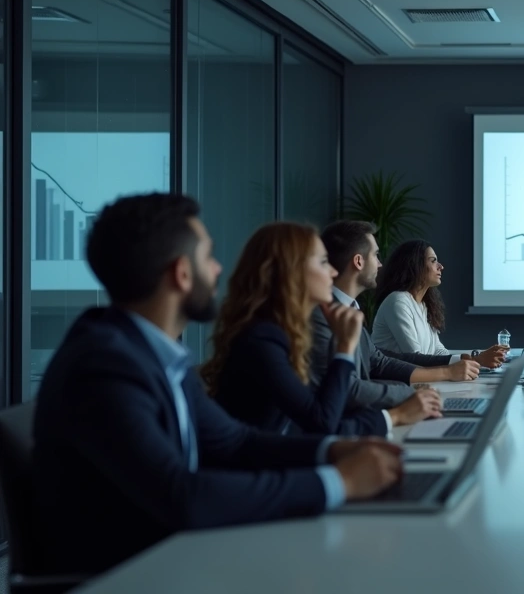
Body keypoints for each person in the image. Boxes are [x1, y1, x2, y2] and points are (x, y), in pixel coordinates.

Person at [31, 193, 402, 575]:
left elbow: (236, 441)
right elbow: (181, 495)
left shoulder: (150, 353)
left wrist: (334, 450)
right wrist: (339, 481)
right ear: (182, 273)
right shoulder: (105, 366)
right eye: (208, 256)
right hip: (131, 574)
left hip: (175, 555)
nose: (219, 268)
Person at [202, 223, 442, 437]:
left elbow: (323, 412)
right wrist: (397, 414)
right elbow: (322, 420)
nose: (334, 272)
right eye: (323, 262)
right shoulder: (264, 337)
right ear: (293, 271)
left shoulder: (285, 329)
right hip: (261, 469)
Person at [312, 221, 479, 412]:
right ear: (358, 261)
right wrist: (411, 395)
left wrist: (448, 370)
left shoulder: (351, 308)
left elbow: (380, 362)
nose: (381, 263)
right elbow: (350, 388)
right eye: (376, 255)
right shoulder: (321, 314)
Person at [372, 239, 508, 365]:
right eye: (433, 261)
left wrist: (475, 359)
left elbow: (439, 352)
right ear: (414, 265)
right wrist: (475, 358)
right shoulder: (398, 301)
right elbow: (415, 357)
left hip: (415, 379)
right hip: (394, 383)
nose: (441, 266)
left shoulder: (424, 305)